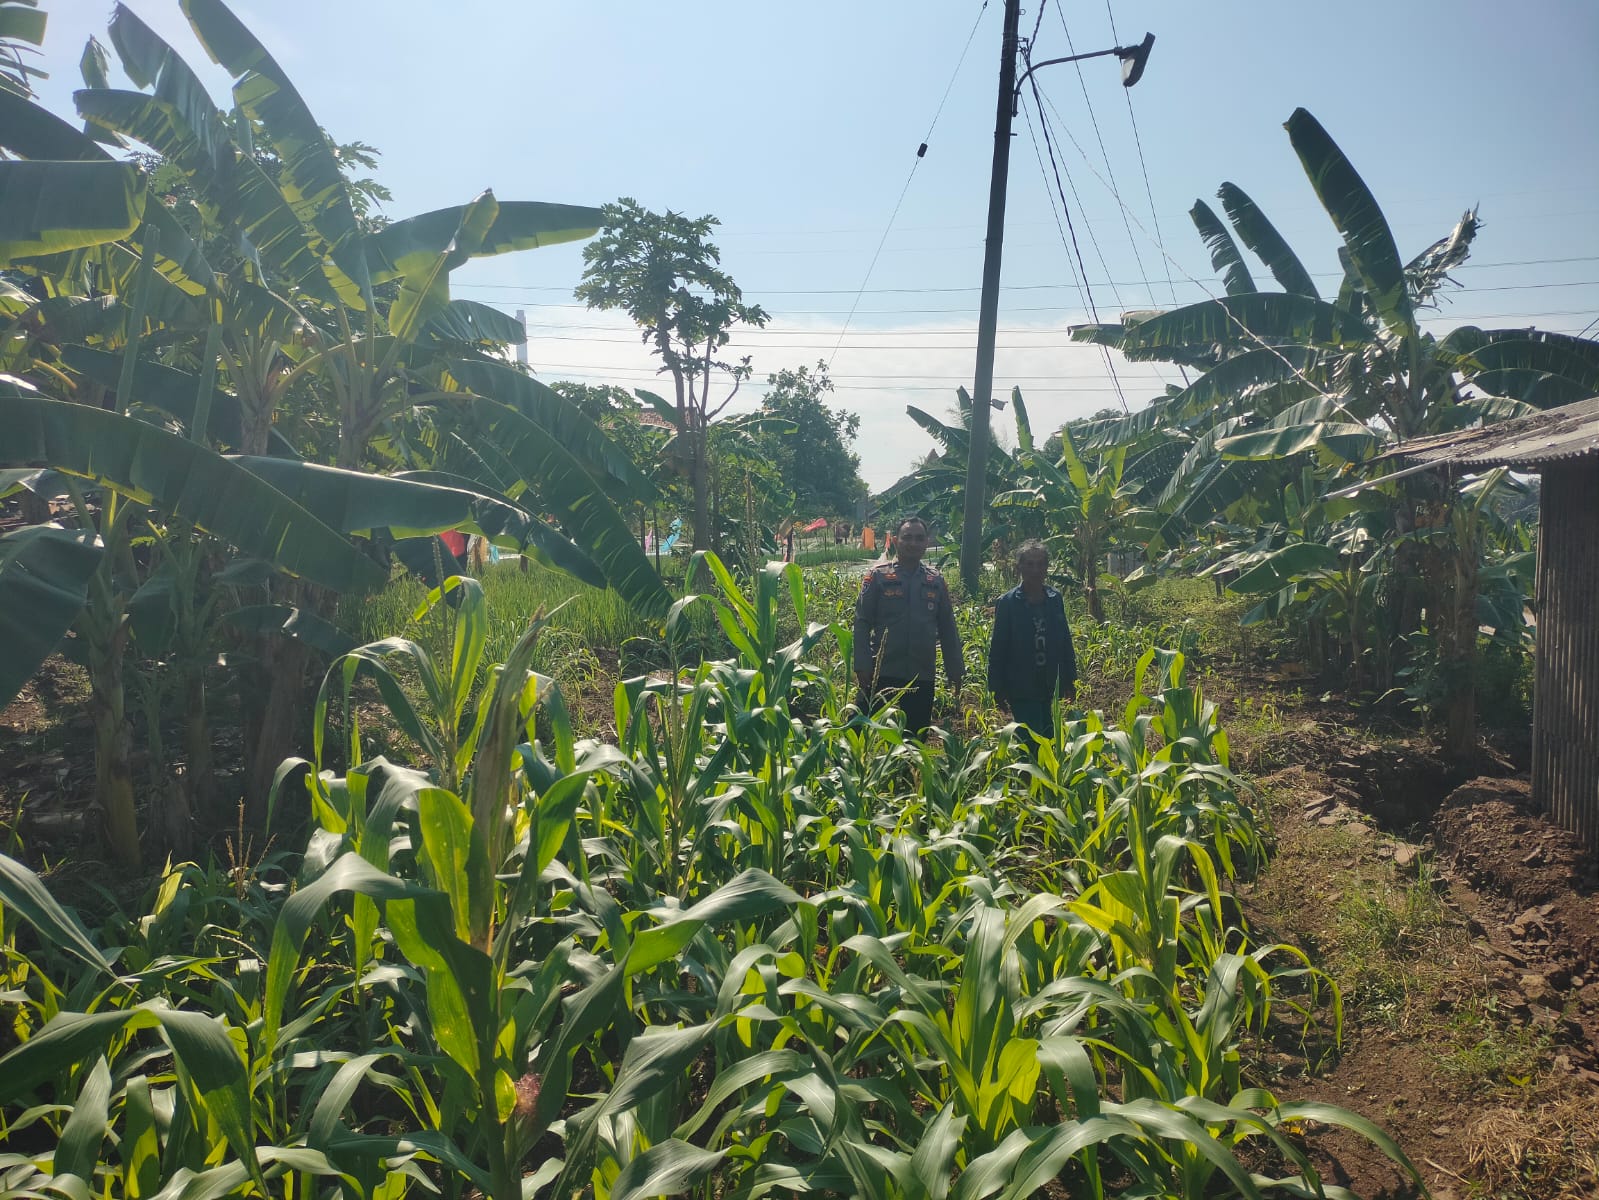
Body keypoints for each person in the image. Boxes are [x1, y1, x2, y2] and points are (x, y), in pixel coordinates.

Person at [852, 516, 963, 736]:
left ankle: (909, 760)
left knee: (915, 736)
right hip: (881, 670)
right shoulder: (878, 576)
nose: (913, 543)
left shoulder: (935, 581)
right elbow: (862, 622)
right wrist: (862, 664)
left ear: (926, 542)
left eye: (919, 538)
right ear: (895, 540)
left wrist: (955, 669)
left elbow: (948, 628)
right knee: (858, 729)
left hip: (921, 673)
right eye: (907, 537)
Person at [987, 540, 1077, 744]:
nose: (1035, 570)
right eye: (1029, 564)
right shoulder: (1008, 602)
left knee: (1049, 735)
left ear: (1046, 567)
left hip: (1049, 682)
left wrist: (1069, 679)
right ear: (1019, 567)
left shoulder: (1054, 599)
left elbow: (1064, 640)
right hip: (1021, 685)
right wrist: (997, 687)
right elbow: (998, 647)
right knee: (1031, 740)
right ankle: (1028, 765)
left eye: (1040, 564)